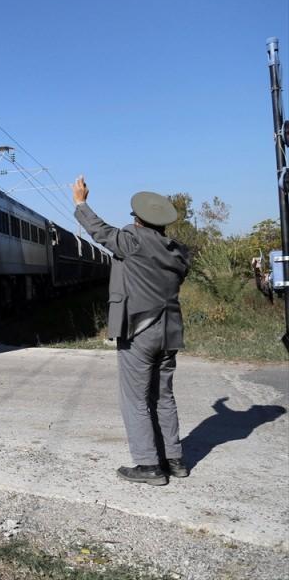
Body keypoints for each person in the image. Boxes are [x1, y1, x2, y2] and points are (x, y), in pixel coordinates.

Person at [72, 176, 191, 486]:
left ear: (137, 219)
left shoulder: (134, 240)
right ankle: (175, 460)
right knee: (163, 396)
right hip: (170, 330)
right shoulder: (178, 253)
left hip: (140, 329)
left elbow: (101, 232)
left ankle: (149, 465)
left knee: (135, 398)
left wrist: (81, 202)